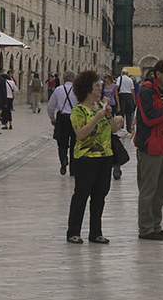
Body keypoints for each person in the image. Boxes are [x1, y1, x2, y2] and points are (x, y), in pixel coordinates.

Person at [66, 71, 123, 244]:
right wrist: (96, 118)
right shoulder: (78, 110)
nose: (100, 88)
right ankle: (73, 232)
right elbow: (81, 134)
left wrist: (109, 116)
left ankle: (96, 232)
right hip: (86, 158)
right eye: (97, 85)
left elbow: (114, 129)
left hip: (105, 157)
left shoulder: (101, 107)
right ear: (88, 89)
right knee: (81, 195)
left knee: (99, 196)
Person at [134, 60, 163, 240]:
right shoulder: (146, 92)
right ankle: (146, 229)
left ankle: (156, 225)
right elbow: (149, 119)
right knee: (148, 190)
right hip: (151, 145)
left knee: (161, 190)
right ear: (158, 74)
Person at [48, 71, 77, 174]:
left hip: (62, 118)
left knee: (62, 142)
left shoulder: (58, 90)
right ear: (73, 79)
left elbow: (50, 106)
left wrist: (52, 119)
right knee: (75, 143)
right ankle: (73, 168)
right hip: (75, 118)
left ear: (63, 79)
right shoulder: (77, 90)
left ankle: (63, 160)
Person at [115, 68, 136, 136]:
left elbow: (117, 86)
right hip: (129, 96)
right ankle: (129, 128)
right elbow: (132, 90)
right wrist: (134, 100)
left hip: (122, 96)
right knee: (128, 114)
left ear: (122, 73)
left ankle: (121, 127)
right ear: (127, 73)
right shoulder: (130, 80)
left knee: (122, 113)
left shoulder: (120, 78)